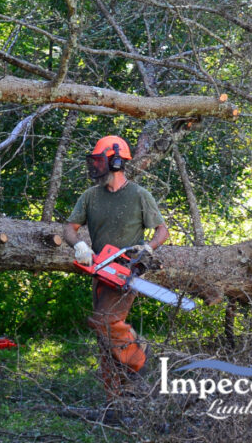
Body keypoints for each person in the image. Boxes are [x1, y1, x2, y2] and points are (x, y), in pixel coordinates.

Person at [62, 135, 169, 402]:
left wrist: (149, 247)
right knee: (104, 335)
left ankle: (139, 354)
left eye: (100, 160)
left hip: (126, 271)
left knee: (104, 322)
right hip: (99, 270)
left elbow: (162, 230)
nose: (95, 166)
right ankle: (117, 395)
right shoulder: (90, 197)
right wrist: (79, 246)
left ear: (117, 161)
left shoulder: (139, 196)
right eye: (94, 161)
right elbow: (69, 228)